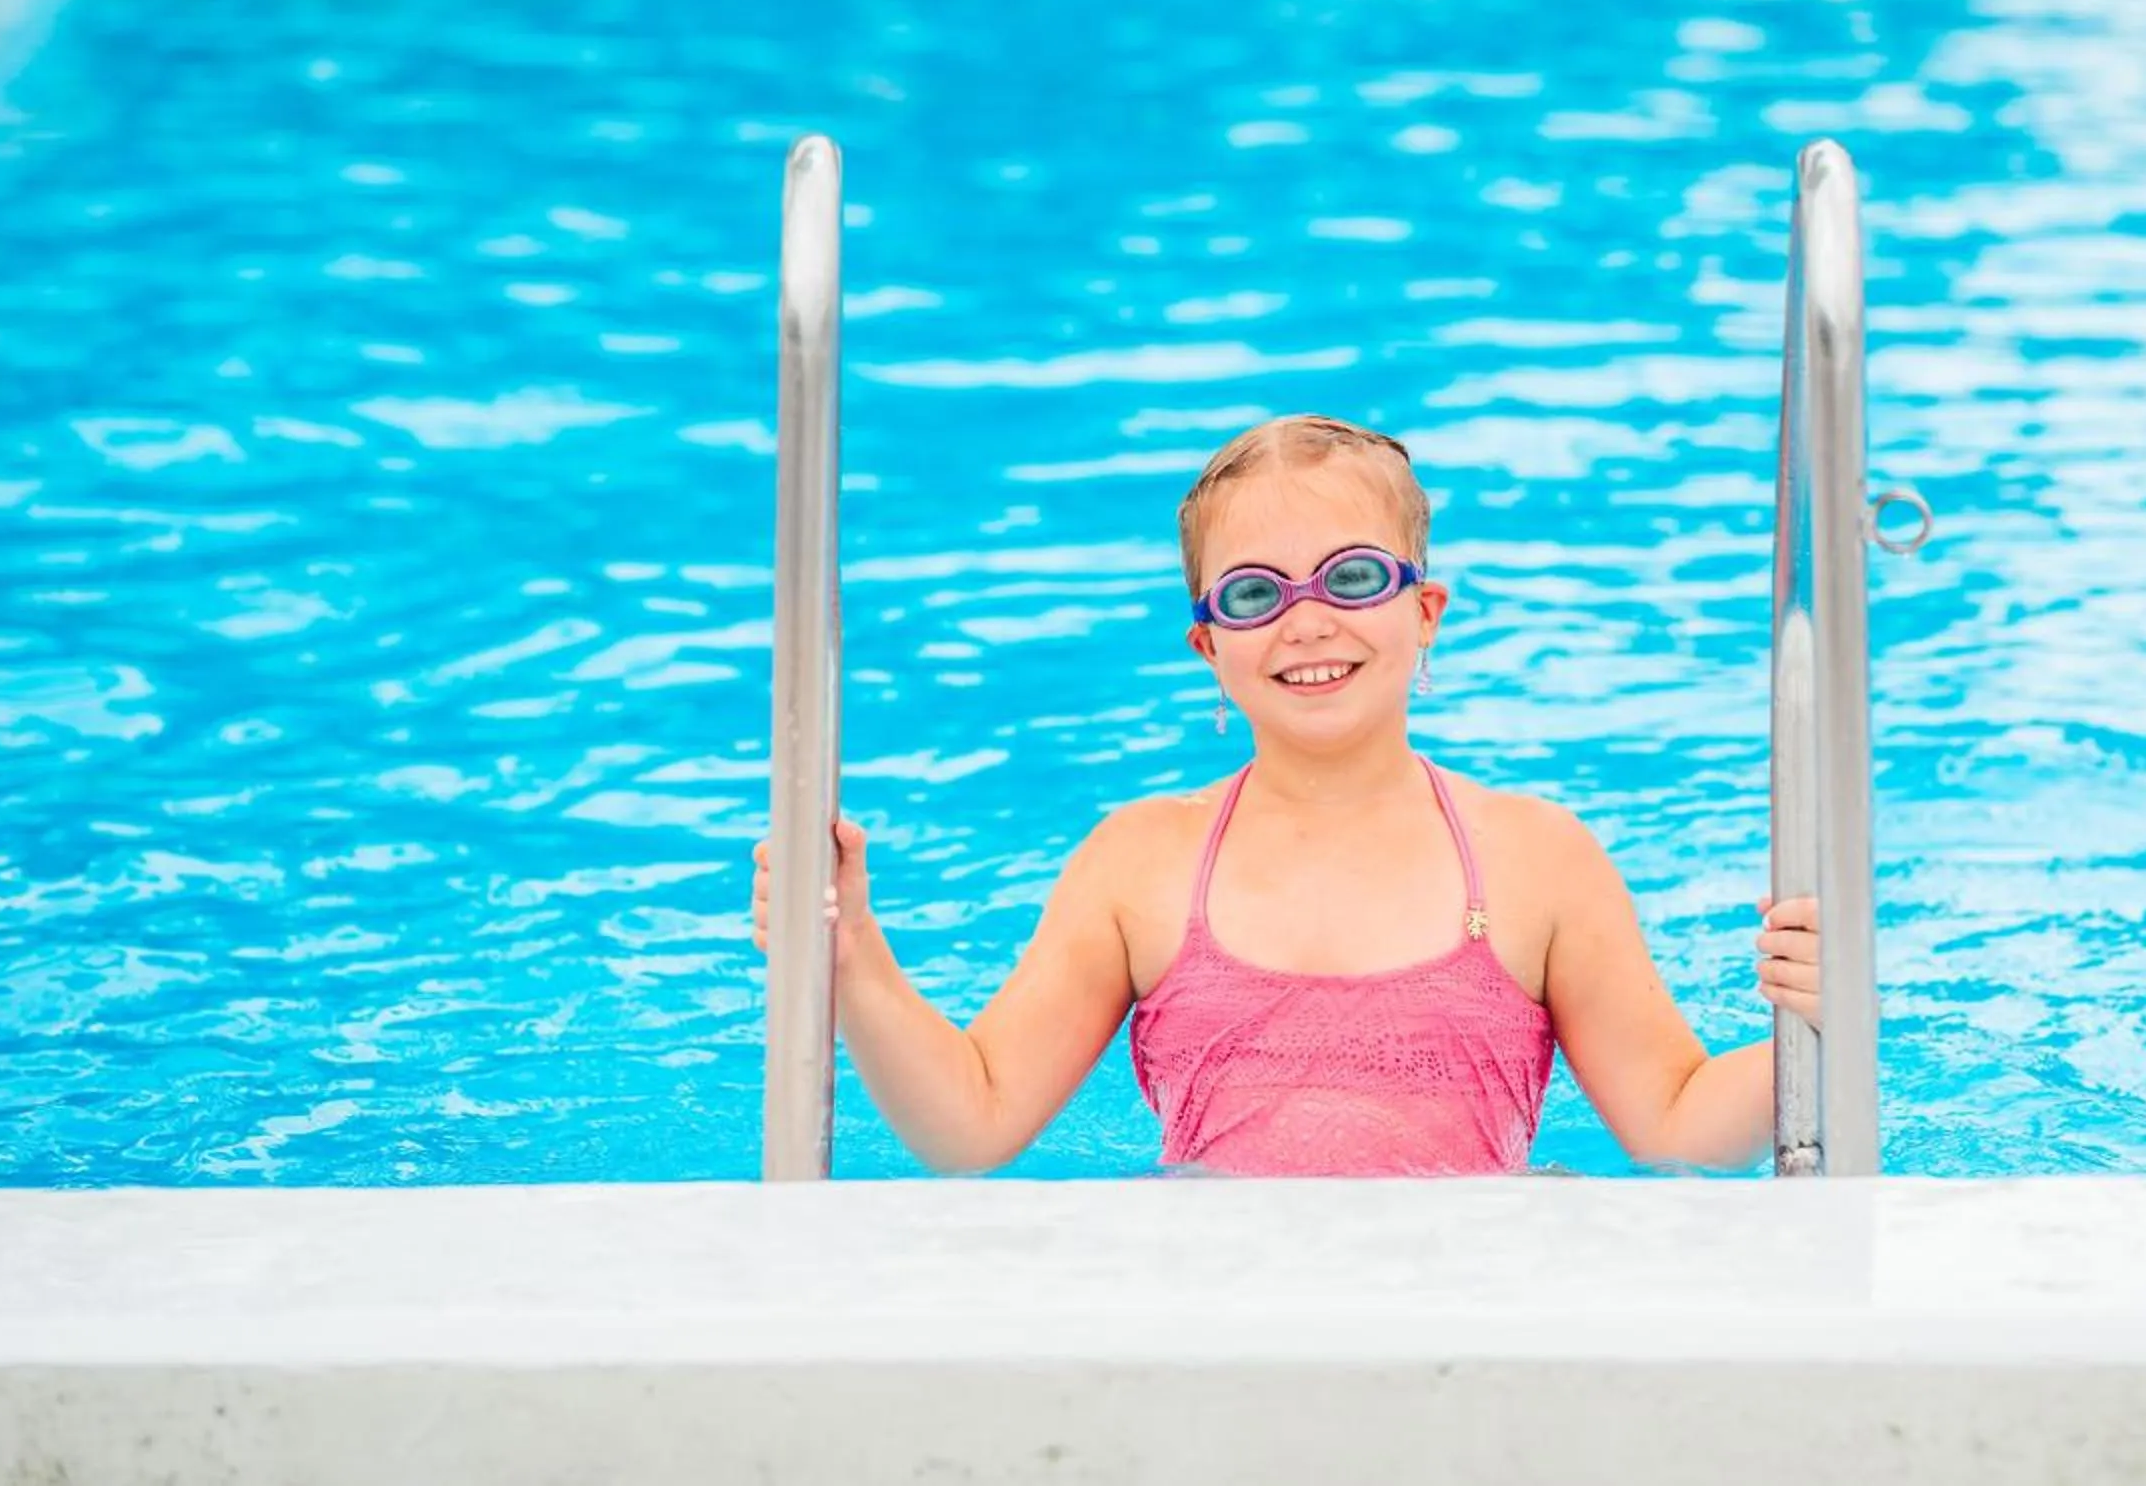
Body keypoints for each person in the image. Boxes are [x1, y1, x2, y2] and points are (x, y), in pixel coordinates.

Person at [752, 413, 1825, 1175]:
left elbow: (1675, 1124)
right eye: (1257, 594)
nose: (1307, 622)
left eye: (1354, 577)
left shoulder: (1536, 859)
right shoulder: (1141, 862)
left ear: (1427, 613)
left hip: (1474, 1303)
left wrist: (1818, 1026)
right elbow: (973, 1123)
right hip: (1217, 1314)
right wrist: (852, 961)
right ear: (1210, 646)